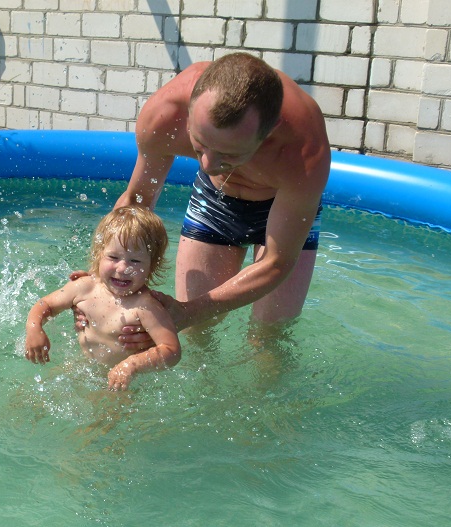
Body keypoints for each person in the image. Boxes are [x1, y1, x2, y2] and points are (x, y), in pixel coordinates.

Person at [103, 52, 330, 346]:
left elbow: (278, 261)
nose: (208, 165)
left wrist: (188, 311)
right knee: (195, 335)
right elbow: (137, 202)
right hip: (216, 200)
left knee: (269, 339)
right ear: (189, 111)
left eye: (229, 154)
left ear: (270, 131)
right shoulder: (165, 114)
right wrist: (100, 290)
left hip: (281, 207)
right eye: (200, 145)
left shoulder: (303, 151)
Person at [25, 206, 181, 391]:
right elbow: (46, 304)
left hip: (121, 383)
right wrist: (34, 328)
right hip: (82, 367)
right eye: (113, 257)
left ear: (152, 265)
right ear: (99, 255)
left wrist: (131, 365)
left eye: (135, 261)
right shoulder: (85, 287)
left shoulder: (146, 307)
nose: (122, 268)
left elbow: (171, 350)